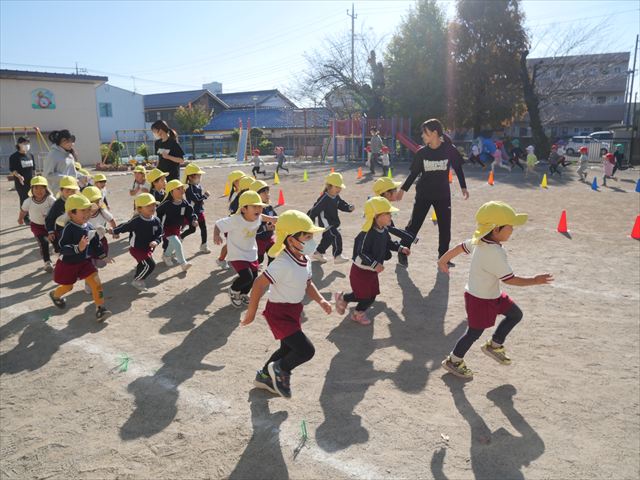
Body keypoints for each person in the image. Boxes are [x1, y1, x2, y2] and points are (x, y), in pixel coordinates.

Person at [438, 201, 553, 380]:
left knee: (515, 314)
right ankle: (454, 360)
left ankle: (494, 344)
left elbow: (460, 247)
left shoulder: (480, 240)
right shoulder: (493, 253)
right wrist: (535, 280)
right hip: (480, 299)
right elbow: (510, 279)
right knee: (474, 333)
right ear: (496, 229)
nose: (512, 229)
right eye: (509, 226)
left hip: (492, 295)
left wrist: (442, 260)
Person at [241, 210, 330, 399]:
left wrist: (321, 300)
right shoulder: (282, 263)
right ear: (290, 240)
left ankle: (264, 377)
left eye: (311, 236)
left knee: (287, 349)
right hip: (279, 313)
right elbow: (258, 284)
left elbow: (307, 283)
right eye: (307, 236)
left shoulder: (305, 260)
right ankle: (281, 370)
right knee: (306, 351)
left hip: (294, 311)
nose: (312, 240)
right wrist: (251, 312)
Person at [395, 118, 469, 268]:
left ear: (434, 133)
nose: (422, 135)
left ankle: (443, 257)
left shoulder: (449, 149)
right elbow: (413, 174)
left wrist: (463, 186)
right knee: (414, 225)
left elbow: (458, 168)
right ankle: (403, 252)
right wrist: (402, 190)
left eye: (425, 132)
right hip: (424, 195)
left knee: (445, 228)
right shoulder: (422, 153)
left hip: (443, 196)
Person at [334, 197, 411, 325]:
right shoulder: (367, 233)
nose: (391, 216)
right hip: (361, 271)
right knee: (364, 296)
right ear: (376, 216)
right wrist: (374, 264)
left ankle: (343, 298)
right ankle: (357, 313)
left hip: (372, 270)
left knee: (371, 295)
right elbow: (362, 252)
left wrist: (400, 248)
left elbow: (388, 243)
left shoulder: (384, 230)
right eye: (387, 213)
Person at [49, 194, 113, 321]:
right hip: (68, 264)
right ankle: (55, 295)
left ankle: (100, 309)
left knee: (96, 283)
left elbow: (95, 243)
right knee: (68, 287)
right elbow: (62, 248)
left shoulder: (89, 227)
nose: (87, 213)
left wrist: (102, 255)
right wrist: (78, 248)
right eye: (83, 210)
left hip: (84, 262)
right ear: (71, 213)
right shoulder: (68, 229)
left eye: (89, 210)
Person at [213, 191, 277, 307]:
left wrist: (274, 219)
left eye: (260, 206)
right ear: (243, 209)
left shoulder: (258, 217)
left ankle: (243, 294)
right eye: (254, 206)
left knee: (254, 278)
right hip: (237, 253)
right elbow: (218, 224)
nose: (258, 209)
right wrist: (216, 235)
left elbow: (265, 217)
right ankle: (234, 290)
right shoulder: (235, 220)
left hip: (251, 252)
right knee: (247, 276)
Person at [111, 193, 164, 291]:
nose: (152, 207)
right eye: (148, 205)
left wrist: (156, 241)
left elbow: (160, 234)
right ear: (139, 209)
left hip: (149, 248)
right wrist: (114, 231)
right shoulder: (136, 221)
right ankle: (138, 280)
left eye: (153, 205)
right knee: (150, 265)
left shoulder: (156, 220)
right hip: (137, 249)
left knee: (143, 264)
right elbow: (125, 227)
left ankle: (138, 275)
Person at [307, 172, 354, 264]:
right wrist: (310, 222)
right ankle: (337, 256)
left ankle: (318, 253)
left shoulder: (335, 196)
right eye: (337, 187)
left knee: (328, 239)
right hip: (326, 224)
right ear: (329, 186)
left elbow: (341, 204)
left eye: (340, 187)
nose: (339, 189)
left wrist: (348, 207)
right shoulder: (324, 198)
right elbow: (314, 210)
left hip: (333, 223)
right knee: (336, 235)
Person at [17, 176, 56, 272]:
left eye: (42, 188)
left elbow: (57, 209)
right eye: (36, 188)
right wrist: (20, 219)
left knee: (56, 242)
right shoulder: (28, 201)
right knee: (44, 243)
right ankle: (47, 262)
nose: (39, 191)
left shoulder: (50, 199)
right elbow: (23, 211)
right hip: (37, 226)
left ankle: (62, 259)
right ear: (32, 189)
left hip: (51, 226)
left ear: (46, 189)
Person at [156, 179, 196, 271]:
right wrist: (158, 225)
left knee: (172, 244)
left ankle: (166, 256)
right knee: (177, 244)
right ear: (171, 192)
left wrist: (193, 220)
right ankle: (183, 263)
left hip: (177, 228)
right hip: (167, 228)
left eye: (182, 188)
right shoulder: (166, 204)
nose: (182, 190)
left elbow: (190, 213)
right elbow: (158, 212)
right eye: (178, 188)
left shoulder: (184, 203)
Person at [372, 177, 418, 251]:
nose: (397, 192)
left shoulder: (381, 203)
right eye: (395, 190)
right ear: (387, 194)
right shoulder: (381, 207)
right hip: (374, 244)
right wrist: (411, 237)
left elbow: (391, 227)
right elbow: (391, 228)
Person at [216, 170, 247, 269]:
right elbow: (235, 212)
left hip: (243, 222)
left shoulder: (245, 192)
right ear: (235, 183)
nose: (244, 181)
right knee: (230, 244)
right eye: (241, 180)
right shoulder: (236, 195)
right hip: (235, 223)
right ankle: (221, 260)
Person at [45, 175, 80, 253]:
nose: (70, 193)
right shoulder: (57, 203)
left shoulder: (79, 201)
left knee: (77, 248)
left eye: (73, 191)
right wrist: (50, 231)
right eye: (67, 190)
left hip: (77, 229)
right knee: (63, 249)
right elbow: (50, 218)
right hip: (62, 232)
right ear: (61, 190)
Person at [180, 163, 211, 253]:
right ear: (190, 177)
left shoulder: (198, 186)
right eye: (198, 175)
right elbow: (196, 199)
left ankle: (204, 245)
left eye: (200, 175)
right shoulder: (189, 188)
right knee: (192, 229)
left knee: (203, 228)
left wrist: (202, 201)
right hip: (192, 213)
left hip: (199, 211)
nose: (200, 177)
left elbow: (199, 199)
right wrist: (205, 196)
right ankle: (180, 236)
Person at [250, 179, 277, 266]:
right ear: (255, 195)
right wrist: (265, 228)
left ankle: (270, 273)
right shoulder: (253, 211)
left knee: (273, 257)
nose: (267, 194)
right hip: (258, 240)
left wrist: (275, 225)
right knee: (259, 259)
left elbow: (275, 218)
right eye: (264, 192)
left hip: (270, 238)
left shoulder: (269, 207)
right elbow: (252, 229)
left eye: (267, 192)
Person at [10, 137, 36, 223]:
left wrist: (35, 179)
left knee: (33, 198)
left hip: (31, 182)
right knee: (24, 199)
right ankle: (25, 217)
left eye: (28, 143)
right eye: (24, 143)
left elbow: (33, 169)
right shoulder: (14, 157)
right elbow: (13, 170)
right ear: (19, 144)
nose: (26, 145)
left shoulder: (30, 155)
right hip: (21, 182)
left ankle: (32, 215)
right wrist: (19, 176)